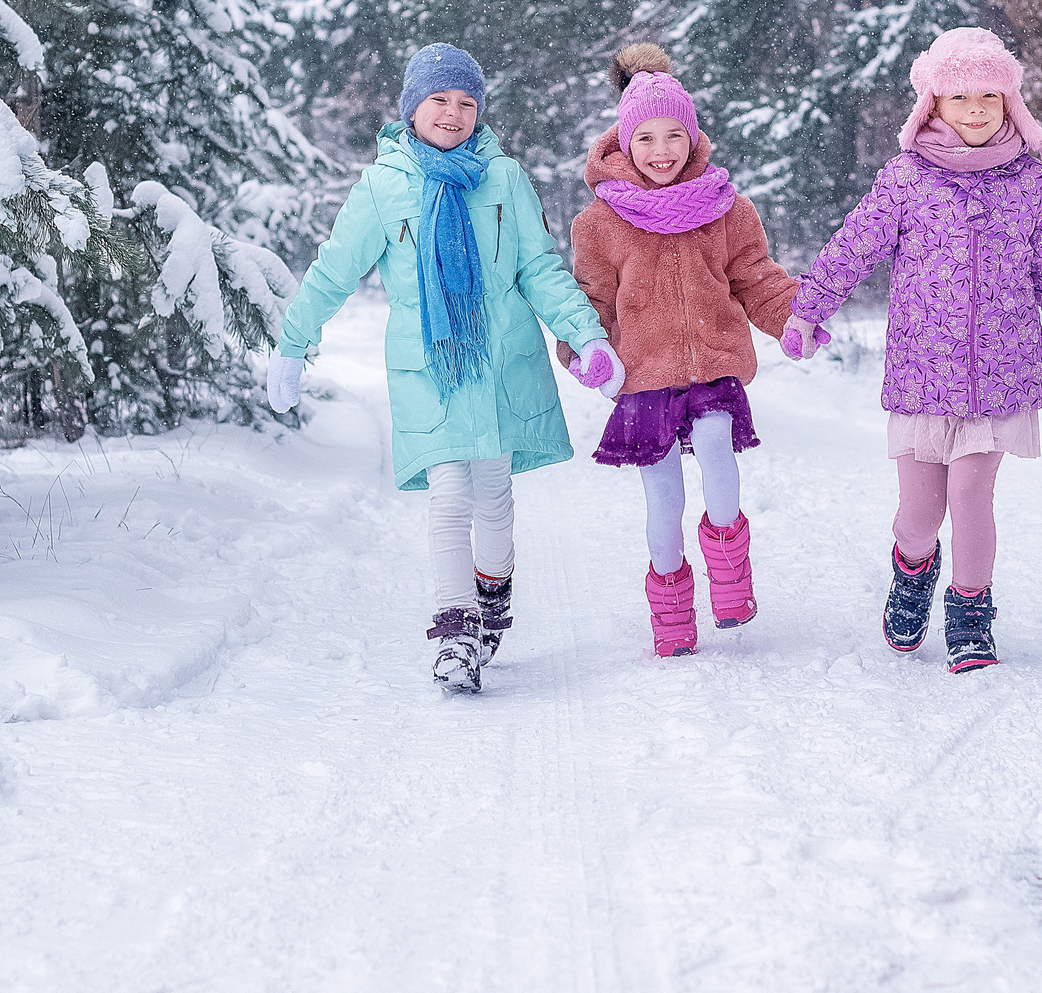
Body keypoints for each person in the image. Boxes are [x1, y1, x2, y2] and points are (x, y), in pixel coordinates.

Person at [269, 43, 620, 694]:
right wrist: (294, 344)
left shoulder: (504, 177)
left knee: (493, 497)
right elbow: (334, 271)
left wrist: (587, 337)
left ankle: (492, 595)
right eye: (440, 100)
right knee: (450, 495)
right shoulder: (382, 187)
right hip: (429, 370)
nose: (454, 113)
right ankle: (455, 630)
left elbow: (538, 269)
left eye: (466, 102)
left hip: (501, 367)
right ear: (411, 108)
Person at [785, 26, 1042, 674]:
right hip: (922, 376)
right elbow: (856, 245)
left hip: (1001, 376)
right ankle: (913, 571)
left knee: (970, 494)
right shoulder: (907, 178)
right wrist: (810, 308)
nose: (975, 109)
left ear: (1010, 103)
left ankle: (970, 610)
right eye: (959, 95)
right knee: (919, 512)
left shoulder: (1028, 183)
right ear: (932, 103)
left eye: (990, 95)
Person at [566, 44, 801, 657]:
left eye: (675, 135)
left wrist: (796, 319)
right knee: (662, 494)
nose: (662, 150)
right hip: (644, 375)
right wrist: (584, 350)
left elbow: (757, 278)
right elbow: (589, 301)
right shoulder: (600, 222)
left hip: (713, 362)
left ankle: (729, 575)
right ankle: (671, 608)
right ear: (623, 142)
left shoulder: (726, 208)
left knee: (720, 450)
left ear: (693, 137)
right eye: (646, 138)